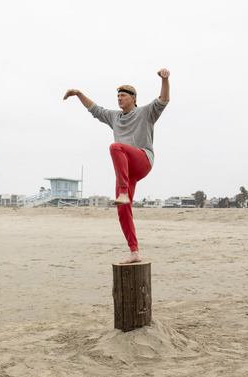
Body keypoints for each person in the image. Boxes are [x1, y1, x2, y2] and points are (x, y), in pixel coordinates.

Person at [63, 69, 170, 264]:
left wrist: (165, 79)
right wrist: (78, 94)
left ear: (133, 98)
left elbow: (163, 99)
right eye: (118, 96)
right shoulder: (115, 117)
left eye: (123, 96)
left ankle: (122, 193)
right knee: (123, 210)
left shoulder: (145, 112)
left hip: (143, 160)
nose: (119, 99)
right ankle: (134, 251)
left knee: (115, 147)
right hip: (126, 171)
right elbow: (95, 109)